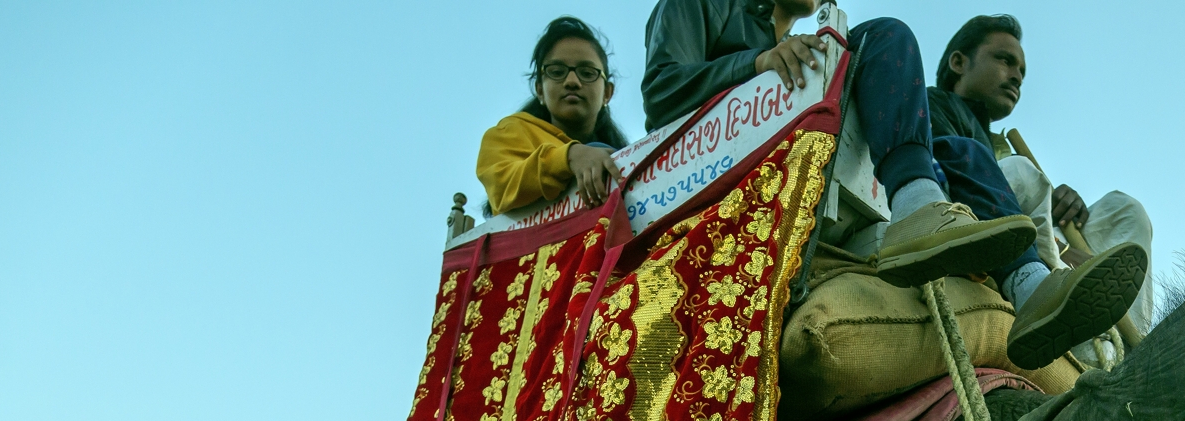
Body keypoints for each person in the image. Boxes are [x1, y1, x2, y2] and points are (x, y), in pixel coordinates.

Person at [643, 0, 1142, 369]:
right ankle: (922, 210)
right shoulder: (703, 5)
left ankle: (1026, 282)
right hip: (730, 181)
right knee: (888, 35)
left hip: (829, 171)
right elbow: (662, 96)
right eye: (1006, 61)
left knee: (953, 135)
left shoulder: (805, 49)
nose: (1016, 75)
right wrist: (757, 65)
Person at [932, 14, 1157, 338]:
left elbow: (1030, 201)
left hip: (1044, 239)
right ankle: (1051, 302)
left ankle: (1127, 343)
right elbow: (957, 188)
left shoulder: (1004, 146)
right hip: (991, 237)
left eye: (1021, 72)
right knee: (1018, 171)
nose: (1016, 78)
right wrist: (1062, 251)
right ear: (959, 62)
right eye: (1005, 61)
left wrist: (1061, 204)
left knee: (1124, 209)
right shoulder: (935, 105)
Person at [476, 17, 633, 216]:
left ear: (607, 93)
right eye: (557, 72)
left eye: (587, 73)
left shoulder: (624, 159)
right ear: (540, 90)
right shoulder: (510, 133)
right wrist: (569, 157)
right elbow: (501, 188)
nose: (572, 81)